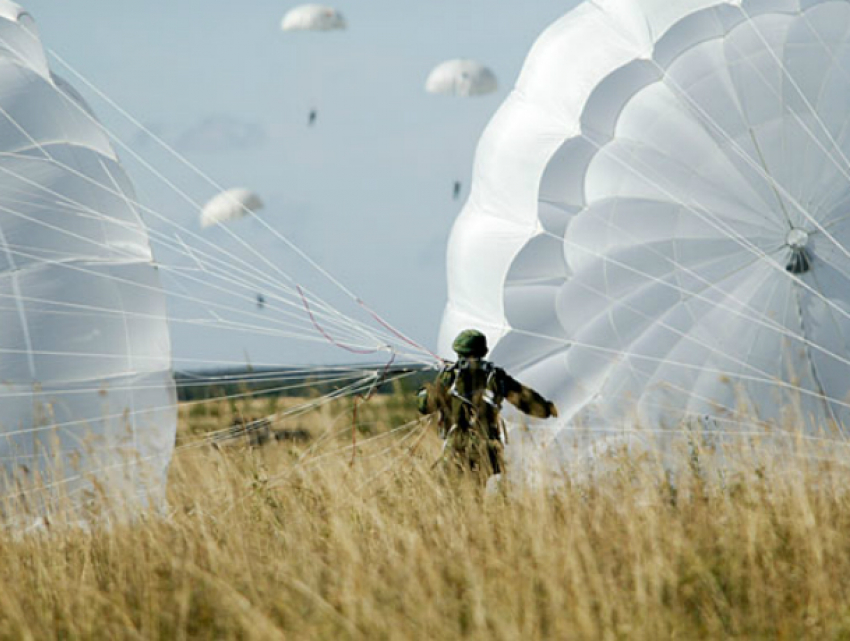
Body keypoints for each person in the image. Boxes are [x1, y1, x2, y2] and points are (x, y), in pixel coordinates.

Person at [418, 329, 558, 481]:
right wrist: (547, 408)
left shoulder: (450, 376)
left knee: (447, 489)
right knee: (476, 491)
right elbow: (525, 399)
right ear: (484, 351)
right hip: (487, 446)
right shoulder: (496, 377)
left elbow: (426, 406)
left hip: (457, 444)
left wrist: (431, 389)